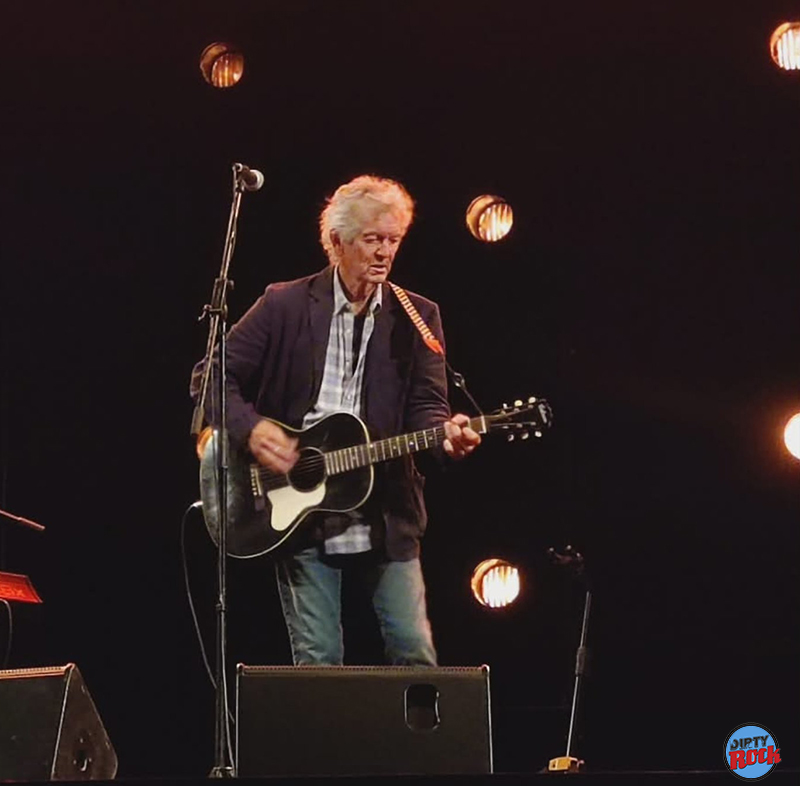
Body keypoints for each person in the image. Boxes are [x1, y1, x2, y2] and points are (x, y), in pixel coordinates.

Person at [193, 174, 480, 666]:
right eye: (372, 239)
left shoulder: (418, 317)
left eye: (393, 240)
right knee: (319, 658)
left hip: (386, 510)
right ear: (337, 241)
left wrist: (446, 439)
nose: (384, 252)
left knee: (415, 653)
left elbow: (427, 408)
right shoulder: (284, 304)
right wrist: (253, 429)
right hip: (296, 508)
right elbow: (211, 376)